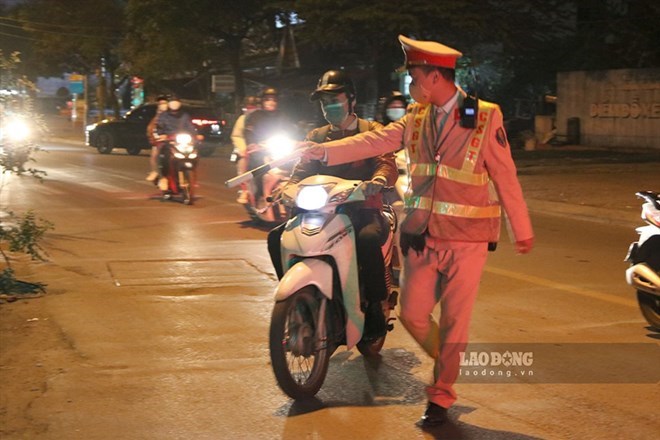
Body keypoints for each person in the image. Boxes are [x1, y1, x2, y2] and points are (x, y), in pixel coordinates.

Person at [300, 35, 534, 428]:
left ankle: (441, 395)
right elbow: (375, 140)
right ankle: (450, 361)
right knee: (412, 314)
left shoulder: (483, 115)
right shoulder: (416, 116)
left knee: (456, 319)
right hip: (421, 235)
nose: (409, 84)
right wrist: (323, 152)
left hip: (467, 237)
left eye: (412, 76)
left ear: (432, 79)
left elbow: (505, 174)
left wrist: (521, 227)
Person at [267, 70, 399, 337]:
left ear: (351, 99)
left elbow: (386, 163)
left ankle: (374, 306)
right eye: (325, 102)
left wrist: (379, 179)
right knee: (276, 237)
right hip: (322, 210)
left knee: (368, 239)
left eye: (334, 99)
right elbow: (301, 170)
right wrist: (287, 187)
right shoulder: (317, 136)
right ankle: (300, 297)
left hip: (363, 210)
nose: (329, 107)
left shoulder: (372, 131)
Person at [155, 95, 196, 192]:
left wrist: (196, 135)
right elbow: (159, 127)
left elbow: (190, 127)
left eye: (176, 101)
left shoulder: (184, 115)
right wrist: (162, 135)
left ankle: (190, 176)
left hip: (182, 142)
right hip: (169, 142)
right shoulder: (163, 116)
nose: (174, 104)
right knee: (163, 156)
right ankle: (164, 178)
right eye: (172, 101)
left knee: (194, 154)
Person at [231, 96, 261, 203]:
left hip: (264, 149)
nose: (251, 110)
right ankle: (245, 190)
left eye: (254, 107)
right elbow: (237, 136)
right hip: (247, 151)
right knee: (243, 165)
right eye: (248, 107)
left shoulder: (265, 118)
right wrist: (244, 149)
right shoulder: (242, 119)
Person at [145, 95, 169, 182]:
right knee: (155, 155)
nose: (163, 105)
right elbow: (152, 129)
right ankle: (155, 172)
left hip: (175, 140)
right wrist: (155, 138)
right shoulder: (157, 117)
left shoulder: (176, 114)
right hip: (161, 141)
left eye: (165, 103)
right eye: (161, 103)